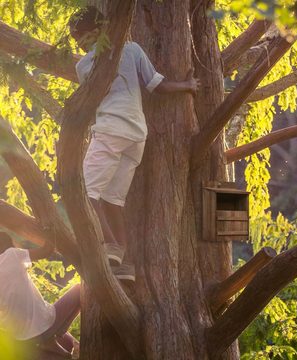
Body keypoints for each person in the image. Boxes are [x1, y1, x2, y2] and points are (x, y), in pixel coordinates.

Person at [68, 6, 200, 276]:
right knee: (112, 199)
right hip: (136, 136)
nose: (78, 44)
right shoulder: (132, 49)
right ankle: (121, 261)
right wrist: (188, 86)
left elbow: (91, 103)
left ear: (94, 32)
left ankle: (108, 247)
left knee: (85, 191)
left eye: (78, 37)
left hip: (109, 131)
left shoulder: (83, 66)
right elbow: (157, 86)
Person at [0, 232, 80, 359]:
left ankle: (53, 340)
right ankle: (57, 333)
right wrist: (49, 228)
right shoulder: (12, 255)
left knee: (66, 343)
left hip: (20, 339)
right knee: (80, 289)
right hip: (44, 325)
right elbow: (46, 251)